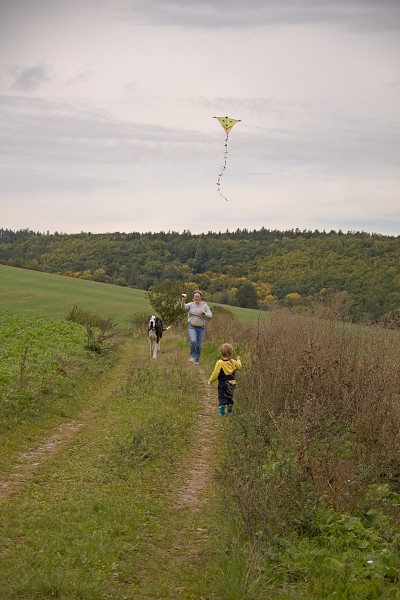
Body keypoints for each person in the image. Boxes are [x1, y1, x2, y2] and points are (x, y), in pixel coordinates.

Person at [209, 343, 242, 415]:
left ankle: (221, 411)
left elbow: (215, 374)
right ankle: (229, 411)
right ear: (231, 352)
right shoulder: (233, 361)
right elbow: (239, 367)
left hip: (223, 384)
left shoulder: (219, 362)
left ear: (221, 352)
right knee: (230, 396)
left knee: (222, 396)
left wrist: (211, 381)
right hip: (232, 383)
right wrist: (238, 360)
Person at [181, 289, 212, 364]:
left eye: (198, 296)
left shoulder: (204, 305)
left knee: (199, 345)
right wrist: (183, 300)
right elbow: (183, 307)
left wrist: (204, 313)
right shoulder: (191, 304)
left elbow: (210, 315)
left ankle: (197, 359)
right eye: (195, 297)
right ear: (193, 298)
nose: (197, 298)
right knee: (193, 340)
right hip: (192, 326)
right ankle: (192, 356)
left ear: (201, 297)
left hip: (201, 328)